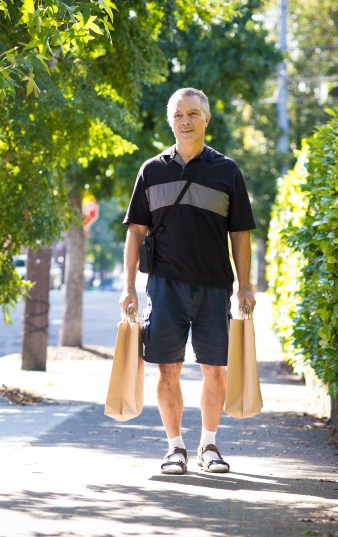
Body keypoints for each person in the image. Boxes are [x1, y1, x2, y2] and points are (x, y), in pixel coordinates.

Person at [119, 87, 256, 475]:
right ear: (170, 121)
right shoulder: (151, 170)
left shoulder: (227, 171)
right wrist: (129, 288)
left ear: (206, 119)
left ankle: (208, 445)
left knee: (215, 369)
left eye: (193, 114)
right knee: (168, 368)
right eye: (179, 114)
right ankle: (175, 447)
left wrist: (244, 285)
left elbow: (241, 234)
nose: (185, 121)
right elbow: (135, 233)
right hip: (164, 287)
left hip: (214, 287)